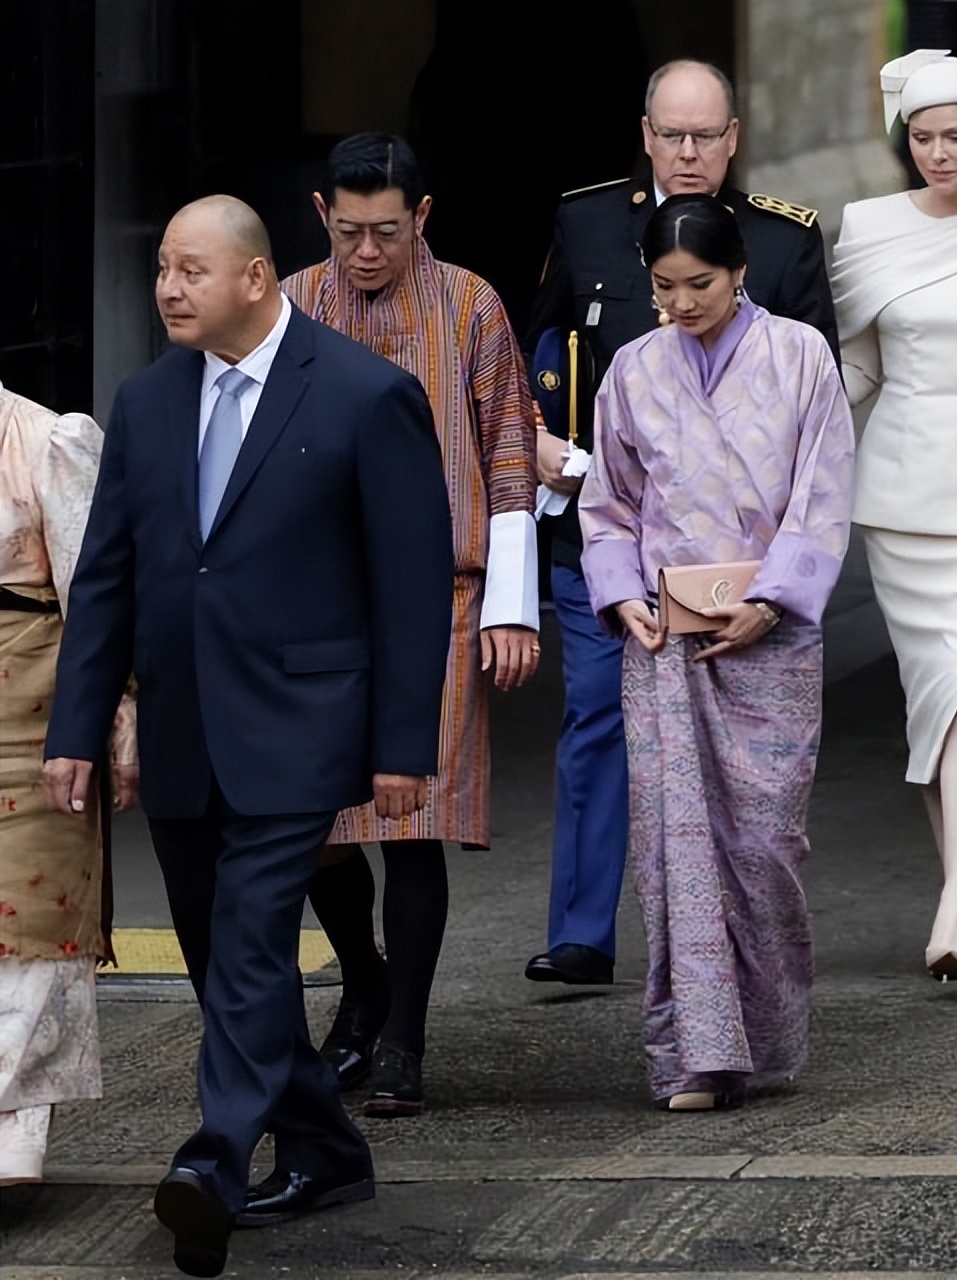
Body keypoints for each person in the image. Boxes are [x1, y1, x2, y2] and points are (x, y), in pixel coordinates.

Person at [42, 196, 454, 1278]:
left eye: (190, 269)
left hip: (300, 726)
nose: (169, 288)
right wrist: (79, 725)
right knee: (228, 962)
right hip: (184, 730)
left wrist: (404, 744)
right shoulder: (145, 401)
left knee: (254, 943)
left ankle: (211, 1162)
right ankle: (324, 1143)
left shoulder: (365, 394)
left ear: (258, 278)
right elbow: (109, 581)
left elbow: (410, 585)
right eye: (163, 270)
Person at [524, 58, 840, 987]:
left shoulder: (780, 244)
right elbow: (531, 352)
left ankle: (751, 977)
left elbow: (825, 419)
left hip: (752, 567)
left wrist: (783, 576)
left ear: (734, 138)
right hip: (611, 533)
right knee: (594, 724)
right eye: (673, 134)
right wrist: (536, 441)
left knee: (756, 800)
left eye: (708, 135)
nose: (690, 150)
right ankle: (585, 932)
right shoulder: (585, 222)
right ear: (647, 134)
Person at [578, 194, 854, 1109]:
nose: (683, 302)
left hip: (770, 638)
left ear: (740, 271)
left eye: (701, 283)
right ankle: (691, 1053)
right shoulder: (631, 368)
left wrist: (775, 598)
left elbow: (822, 491)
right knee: (674, 850)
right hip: (665, 639)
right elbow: (609, 503)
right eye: (665, 287)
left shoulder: (801, 356)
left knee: (767, 843)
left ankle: (765, 1041)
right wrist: (620, 594)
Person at [284, 133, 538, 1116]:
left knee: (413, 817)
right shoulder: (296, 304)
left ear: (419, 218)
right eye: (347, 232)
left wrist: (513, 611)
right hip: (317, 596)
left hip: (444, 594)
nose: (364, 253)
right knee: (317, 819)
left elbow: (509, 451)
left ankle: (403, 1035)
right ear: (321, 215)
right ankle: (363, 975)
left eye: (384, 232)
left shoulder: (470, 303)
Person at [831, 53, 957, 973]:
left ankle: (953, 902)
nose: (938, 154)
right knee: (938, 705)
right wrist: (786, 427)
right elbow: (860, 367)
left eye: (956, 135)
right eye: (921, 137)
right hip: (906, 502)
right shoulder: (868, 227)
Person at [0, 385, 135, 1185]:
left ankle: (14, 1129)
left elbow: (100, 591)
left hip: (32, 705)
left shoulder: (47, 438)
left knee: (33, 914)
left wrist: (117, 716)